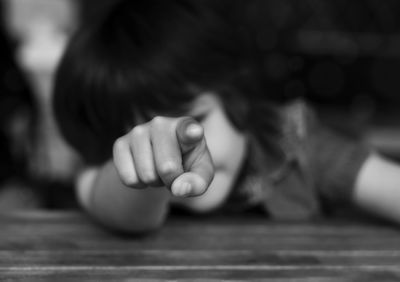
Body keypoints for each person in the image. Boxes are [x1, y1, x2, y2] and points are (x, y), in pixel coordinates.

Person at [53, 0, 400, 233]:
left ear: (239, 95)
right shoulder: (105, 176)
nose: (183, 156)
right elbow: (116, 206)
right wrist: (147, 170)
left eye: (195, 121)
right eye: (138, 138)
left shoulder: (294, 146)